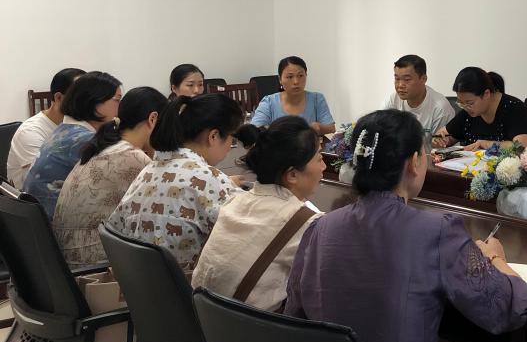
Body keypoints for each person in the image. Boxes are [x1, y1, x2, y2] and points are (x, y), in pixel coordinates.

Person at [286, 109, 527, 342]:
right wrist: (495, 257)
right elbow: (505, 308)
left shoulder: (320, 228)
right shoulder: (437, 231)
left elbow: (295, 314)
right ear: (414, 162)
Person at [193, 116, 325, 312]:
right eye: (319, 159)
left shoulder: (235, 201)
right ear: (292, 175)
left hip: (202, 319)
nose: (323, 167)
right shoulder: (304, 222)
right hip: (248, 327)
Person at [108, 94, 245, 268]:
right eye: (232, 139)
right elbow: (249, 239)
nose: (230, 147)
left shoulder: (148, 172)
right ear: (214, 136)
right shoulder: (211, 179)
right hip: (186, 282)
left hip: (142, 280)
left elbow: (115, 227)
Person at [52, 86, 165, 265]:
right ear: (153, 119)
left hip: (66, 259)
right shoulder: (133, 157)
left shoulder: (105, 146)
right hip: (93, 266)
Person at [23, 71, 122, 217]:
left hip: (37, 221)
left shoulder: (64, 130)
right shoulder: (83, 139)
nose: (120, 107)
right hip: (56, 222)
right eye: (117, 100)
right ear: (94, 102)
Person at [8, 67, 85, 189]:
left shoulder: (78, 125)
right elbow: (41, 180)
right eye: (81, 98)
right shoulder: (30, 131)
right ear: (58, 98)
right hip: (31, 197)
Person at [432, 67, 527, 152]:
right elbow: (447, 133)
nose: (465, 107)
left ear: (486, 94)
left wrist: (486, 144)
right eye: (461, 103)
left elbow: (522, 147)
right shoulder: (469, 112)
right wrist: (441, 139)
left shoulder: (514, 108)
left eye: (470, 103)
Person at [251, 56, 335, 137]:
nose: (296, 81)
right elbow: (255, 129)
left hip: (309, 146)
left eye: (300, 76)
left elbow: (331, 127)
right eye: (290, 77)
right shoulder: (269, 102)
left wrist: (318, 127)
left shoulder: (317, 98)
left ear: (306, 75)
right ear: (280, 79)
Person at [384, 55, 455, 140]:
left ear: (423, 79)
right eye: (397, 79)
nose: (400, 85)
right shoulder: (393, 99)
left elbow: (442, 145)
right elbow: (380, 130)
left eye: (407, 80)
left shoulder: (440, 108)